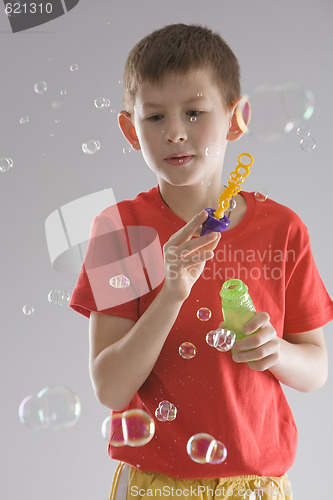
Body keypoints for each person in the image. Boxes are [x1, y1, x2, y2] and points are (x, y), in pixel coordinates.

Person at [70, 23, 333, 499]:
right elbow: (110, 389)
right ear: (131, 129)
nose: (174, 132)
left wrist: (278, 353)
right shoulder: (119, 231)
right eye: (154, 118)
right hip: (155, 486)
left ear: (236, 118)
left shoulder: (283, 229)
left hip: (256, 487)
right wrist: (172, 292)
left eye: (194, 112)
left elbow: (316, 368)